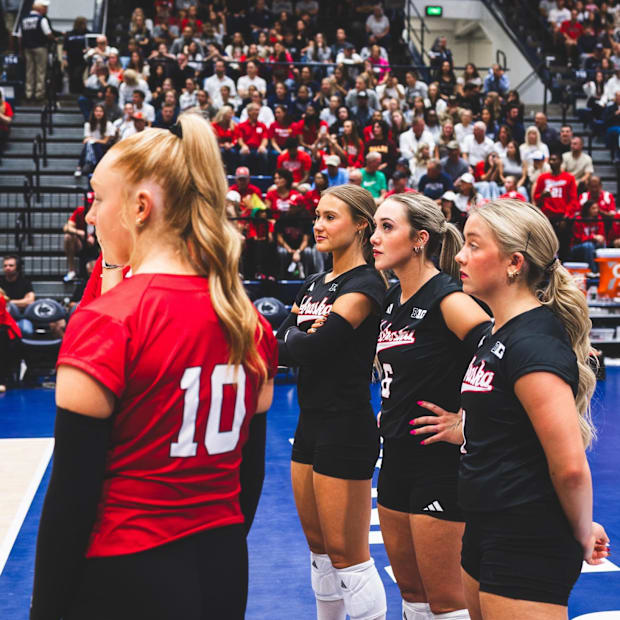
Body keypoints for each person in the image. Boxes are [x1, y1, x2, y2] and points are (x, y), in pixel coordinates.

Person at [30, 113, 278, 620]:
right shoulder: (247, 320)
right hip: (224, 569)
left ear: (140, 207)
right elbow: (246, 481)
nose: (90, 215)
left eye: (98, 199)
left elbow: (71, 498)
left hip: (125, 574)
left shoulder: (109, 321)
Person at [412, 199, 609, 619]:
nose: (460, 256)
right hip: (485, 525)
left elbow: (570, 467)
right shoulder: (499, 331)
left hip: (526, 537)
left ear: (513, 263)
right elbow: (509, 425)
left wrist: (579, 528)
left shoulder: (534, 344)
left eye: (473, 245)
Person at [371, 193, 490, 620]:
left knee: (446, 601)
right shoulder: (391, 301)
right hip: (396, 459)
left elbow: (505, 356)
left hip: (439, 465)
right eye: (375, 227)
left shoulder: (448, 298)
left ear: (420, 238)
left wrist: (465, 421)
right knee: (412, 593)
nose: (375, 238)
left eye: (388, 228)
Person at [276, 184, 388, 620]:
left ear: (362, 224)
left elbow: (313, 350)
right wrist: (300, 335)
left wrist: (297, 336)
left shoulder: (366, 283)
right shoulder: (314, 283)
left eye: (330, 217)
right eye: (317, 216)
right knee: (319, 550)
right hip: (309, 425)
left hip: (347, 427)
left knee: (348, 555)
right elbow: (282, 345)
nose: (318, 225)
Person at [17, 0, 54, 101]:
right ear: (40, 9)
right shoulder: (41, 19)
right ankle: (39, 94)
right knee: (40, 71)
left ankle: (28, 93)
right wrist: (54, 39)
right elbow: (48, 33)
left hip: (27, 48)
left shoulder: (23, 19)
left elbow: (20, 37)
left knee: (29, 71)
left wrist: (21, 50)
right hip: (40, 47)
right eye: (44, 8)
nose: (46, 10)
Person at [75, 104, 115, 177]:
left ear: (104, 113)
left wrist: (93, 140)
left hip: (103, 147)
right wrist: (91, 140)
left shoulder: (108, 124)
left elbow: (105, 141)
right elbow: (86, 140)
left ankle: (81, 166)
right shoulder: (88, 124)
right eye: (96, 111)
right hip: (91, 148)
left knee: (95, 145)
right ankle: (92, 165)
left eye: (100, 111)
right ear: (93, 112)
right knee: (89, 144)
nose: (98, 113)